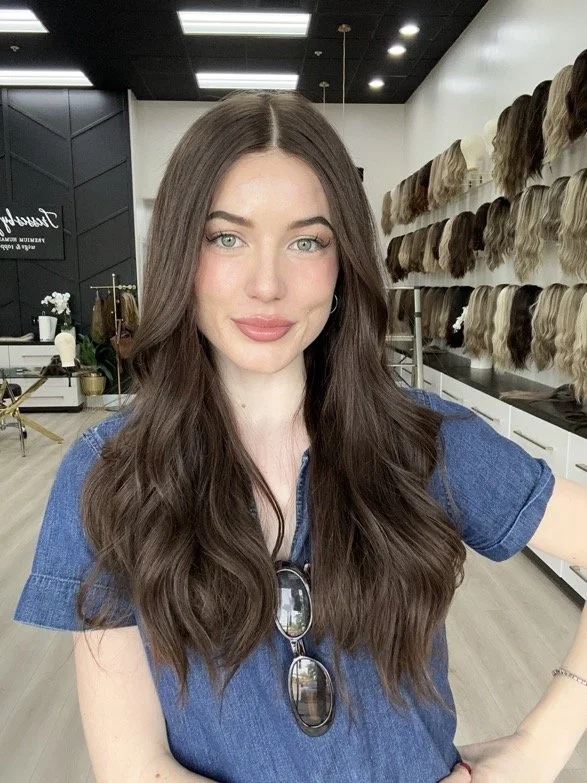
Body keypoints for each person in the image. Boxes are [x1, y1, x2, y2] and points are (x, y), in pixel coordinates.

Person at [12, 91, 587, 783]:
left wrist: (541, 746)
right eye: (226, 236)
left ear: (341, 261)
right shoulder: (109, 472)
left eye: (306, 240)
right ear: (179, 255)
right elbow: (134, 767)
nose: (266, 283)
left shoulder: (423, 442)